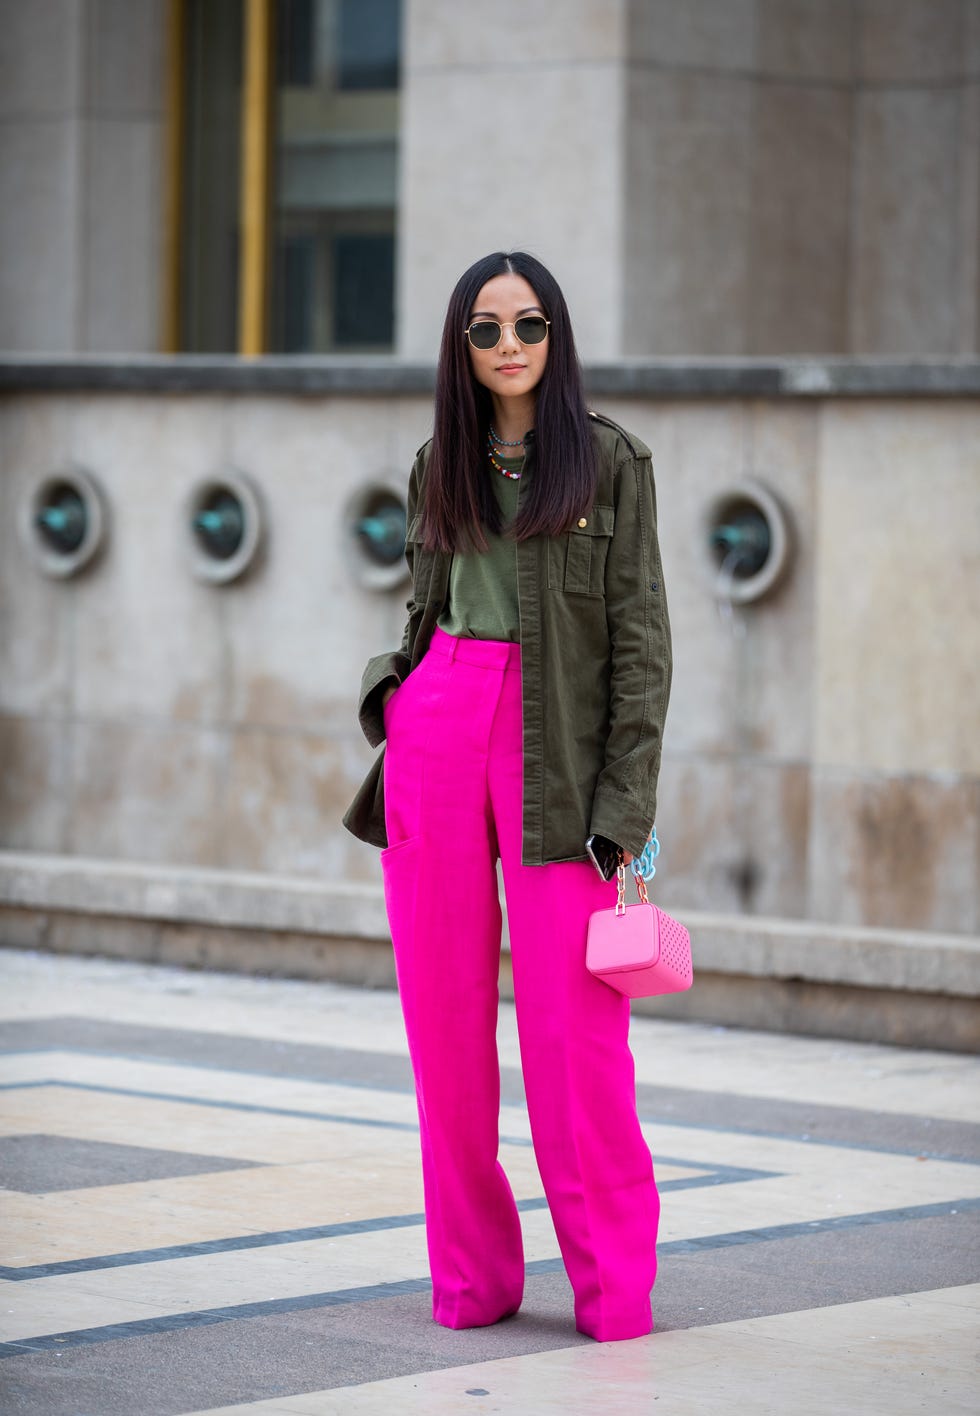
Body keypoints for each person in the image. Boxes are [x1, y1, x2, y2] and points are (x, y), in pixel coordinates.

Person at [343, 250, 672, 1342]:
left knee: (575, 1044)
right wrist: (394, 700)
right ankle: (472, 1283)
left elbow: (641, 650)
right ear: (462, 347)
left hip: (557, 756)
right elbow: (421, 606)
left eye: (525, 325)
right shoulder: (441, 459)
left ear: (554, 334)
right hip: (440, 726)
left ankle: (611, 1293)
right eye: (483, 331)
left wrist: (623, 816)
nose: (507, 347)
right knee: (443, 1035)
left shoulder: (611, 463)